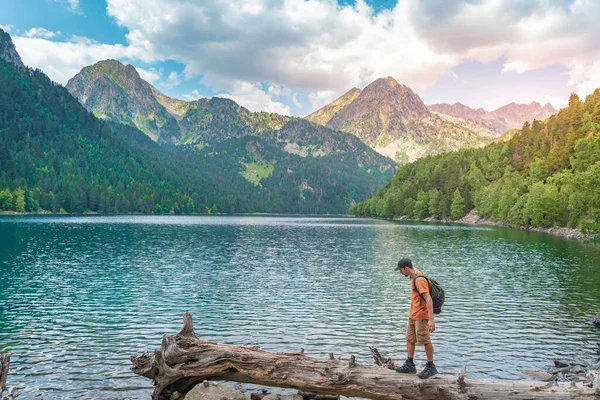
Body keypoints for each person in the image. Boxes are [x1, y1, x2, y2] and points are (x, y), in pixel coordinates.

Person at [394, 258, 438, 379]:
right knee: (409, 339)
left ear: (406, 268)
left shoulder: (419, 280)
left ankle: (431, 366)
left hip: (422, 316)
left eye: (401, 270)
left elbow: (428, 299)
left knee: (425, 340)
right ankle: (410, 364)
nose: (400, 273)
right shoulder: (412, 277)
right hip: (413, 315)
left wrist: (431, 319)